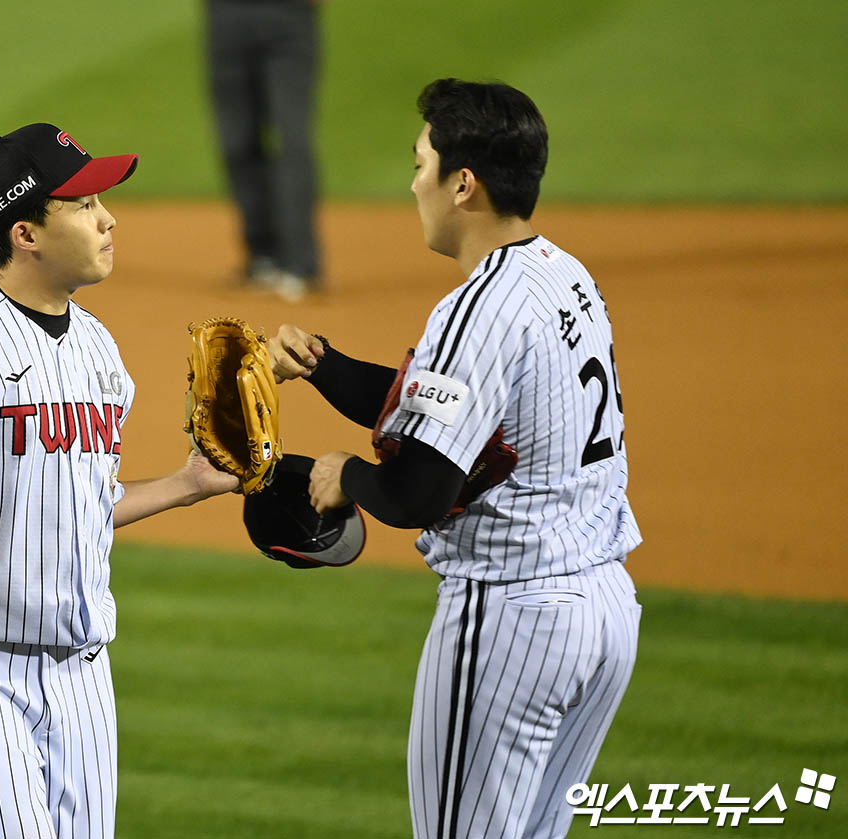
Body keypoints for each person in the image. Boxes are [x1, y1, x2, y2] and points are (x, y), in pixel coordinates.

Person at [268, 79, 643, 839]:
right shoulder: (562, 274)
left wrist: (347, 476)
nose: (413, 184)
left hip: (513, 618)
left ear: (461, 183)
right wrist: (323, 365)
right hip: (604, 610)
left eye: (420, 164)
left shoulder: (475, 308)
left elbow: (418, 493)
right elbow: (452, 415)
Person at [0, 123, 238, 839]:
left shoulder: (100, 348)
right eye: (84, 204)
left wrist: (187, 483)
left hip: (83, 676)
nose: (108, 219)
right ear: (26, 230)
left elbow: (80, 504)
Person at [206, 0, 322, 301]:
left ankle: (300, 265)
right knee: (237, 141)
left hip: (289, 15)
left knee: (290, 141)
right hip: (226, 15)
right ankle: (262, 257)